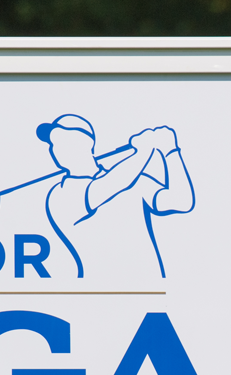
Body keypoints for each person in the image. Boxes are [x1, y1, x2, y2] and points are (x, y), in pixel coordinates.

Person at [34, 114, 195, 280]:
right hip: (99, 292)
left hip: (149, 288)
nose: (54, 149)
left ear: (87, 143)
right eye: (53, 143)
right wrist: (144, 150)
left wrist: (170, 151)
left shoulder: (134, 180)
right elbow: (110, 185)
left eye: (63, 140)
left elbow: (182, 201)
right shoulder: (60, 195)